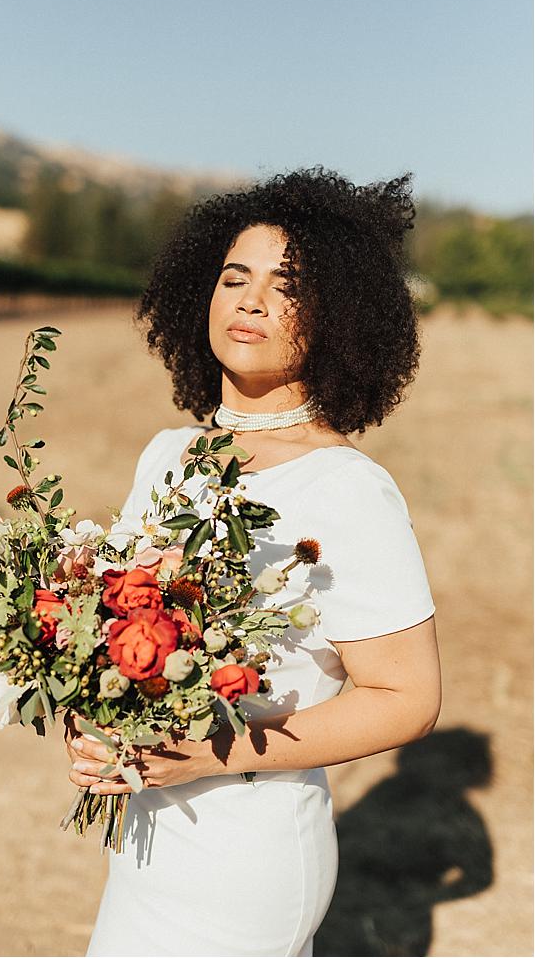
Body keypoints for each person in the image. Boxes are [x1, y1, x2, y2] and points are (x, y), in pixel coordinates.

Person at [65, 166, 442, 957]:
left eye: (287, 286)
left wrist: (202, 752)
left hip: (247, 856)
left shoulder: (348, 488)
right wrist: (89, 714)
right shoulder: (168, 454)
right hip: (147, 839)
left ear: (339, 317)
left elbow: (405, 697)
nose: (250, 299)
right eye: (234, 276)